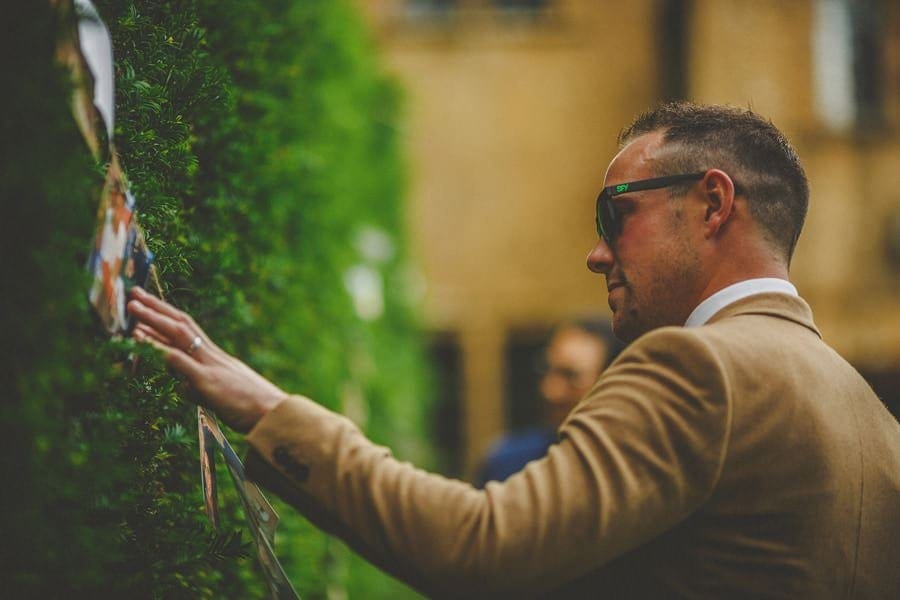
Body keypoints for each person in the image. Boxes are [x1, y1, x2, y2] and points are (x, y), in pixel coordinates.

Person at [128, 102, 900, 598]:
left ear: (711, 203)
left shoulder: (698, 367)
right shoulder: (874, 423)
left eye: (612, 215)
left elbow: (480, 550)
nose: (596, 254)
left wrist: (268, 410)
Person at [477, 319, 623, 486]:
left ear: (611, 382)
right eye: (547, 370)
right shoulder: (509, 464)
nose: (550, 391)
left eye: (570, 376)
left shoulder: (631, 469)